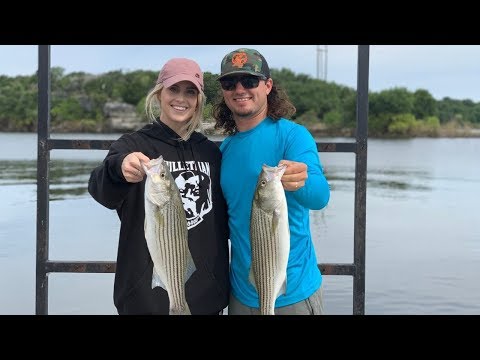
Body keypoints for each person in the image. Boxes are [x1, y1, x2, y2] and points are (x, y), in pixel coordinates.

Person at [88, 58, 230, 315]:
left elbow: (226, 220)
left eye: (190, 92)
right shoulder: (132, 145)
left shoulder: (211, 153)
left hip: (206, 299)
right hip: (145, 301)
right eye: (173, 89)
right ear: (159, 94)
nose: (181, 98)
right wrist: (118, 168)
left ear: (199, 99)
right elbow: (100, 191)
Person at [212, 48, 330, 315]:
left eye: (250, 81)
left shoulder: (293, 136)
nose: (240, 89)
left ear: (268, 86)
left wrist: (302, 181)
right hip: (240, 295)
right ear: (224, 92)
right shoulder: (224, 149)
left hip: (294, 294)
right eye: (230, 83)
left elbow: (321, 197)